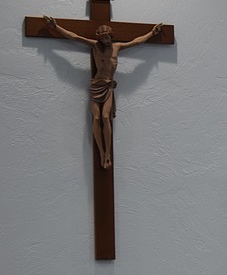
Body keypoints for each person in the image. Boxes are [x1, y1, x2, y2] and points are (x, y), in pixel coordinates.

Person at [43, 16, 163, 169]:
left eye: (107, 36)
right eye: (103, 37)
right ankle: (101, 153)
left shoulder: (117, 47)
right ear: (99, 38)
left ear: (111, 36)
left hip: (108, 86)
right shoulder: (94, 46)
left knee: (106, 117)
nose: (106, 39)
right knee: (96, 117)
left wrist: (152, 33)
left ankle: (107, 154)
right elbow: (75, 37)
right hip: (95, 85)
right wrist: (56, 27)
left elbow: (136, 41)